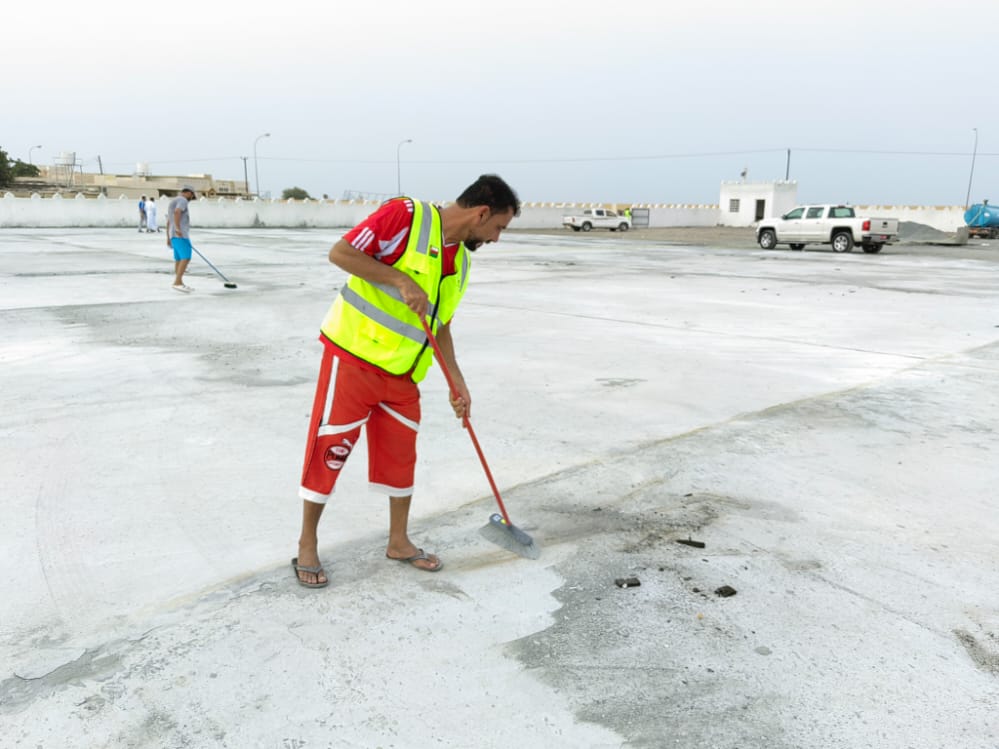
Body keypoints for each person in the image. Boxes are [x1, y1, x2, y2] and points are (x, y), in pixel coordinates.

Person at [293, 174, 521, 588]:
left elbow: (441, 324)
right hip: (354, 361)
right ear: (481, 213)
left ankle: (398, 542)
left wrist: (456, 381)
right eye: (498, 227)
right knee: (331, 451)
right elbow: (340, 253)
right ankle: (307, 543)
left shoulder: (462, 263)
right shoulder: (406, 216)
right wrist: (400, 279)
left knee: (401, 460)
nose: (496, 238)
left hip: (403, 376)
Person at [167, 186, 197, 292]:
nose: (191, 198)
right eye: (192, 195)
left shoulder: (174, 201)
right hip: (181, 235)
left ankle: (179, 282)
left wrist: (168, 237)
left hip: (173, 235)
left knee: (179, 259)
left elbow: (168, 221)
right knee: (186, 257)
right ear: (189, 193)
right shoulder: (182, 200)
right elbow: (177, 212)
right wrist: (178, 229)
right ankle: (177, 282)